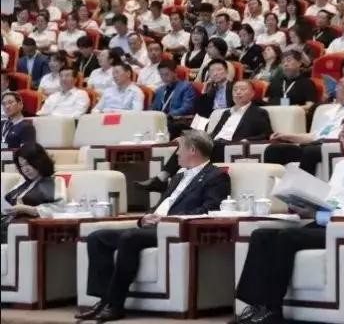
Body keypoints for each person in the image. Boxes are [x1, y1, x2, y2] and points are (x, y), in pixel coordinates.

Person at [234, 110, 344, 324]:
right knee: (262, 235)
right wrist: (305, 203)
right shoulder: (342, 165)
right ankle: (254, 305)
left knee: (287, 238)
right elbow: (330, 199)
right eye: (343, 135)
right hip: (325, 222)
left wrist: (319, 214)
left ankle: (272, 310)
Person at [77, 131, 230, 323]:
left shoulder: (216, 176)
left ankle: (115, 305)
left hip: (175, 230)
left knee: (130, 238)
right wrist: (144, 219)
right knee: (97, 237)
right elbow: (161, 205)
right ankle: (103, 300)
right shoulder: (178, 176)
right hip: (153, 226)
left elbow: (210, 209)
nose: (177, 154)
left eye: (180, 149)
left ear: (192, 150)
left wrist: (170, 220)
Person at [139, 80, 272, 193]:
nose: (238, 92)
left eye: (242, 89)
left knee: (196, 144)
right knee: (187, 140)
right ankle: (165, 179)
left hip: (231, 146)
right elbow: (214, 133)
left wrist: (246, 140)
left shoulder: (258, 112)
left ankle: (163, 180)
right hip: (215, 143)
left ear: (252, 93)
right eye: (235, 89)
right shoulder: (226, 113)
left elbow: (266, 135)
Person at [264, 72, 344, 174]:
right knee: (273, 150)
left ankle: (303, 189)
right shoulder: (332, 110)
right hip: (315, 145)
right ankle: (274, 189)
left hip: (337, 147)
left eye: (339, 85)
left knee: (309, 151)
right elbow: (313, 136)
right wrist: (286, 136)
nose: (335, 89)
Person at [2, 143, 65, 241]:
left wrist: (28, 209)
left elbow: (61, 208)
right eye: (21, 166)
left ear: (40, 161)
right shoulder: (22, 183)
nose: (25, 170)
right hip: (8, 225)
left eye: (28, 164)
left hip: (31, 229)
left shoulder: (54, 181)